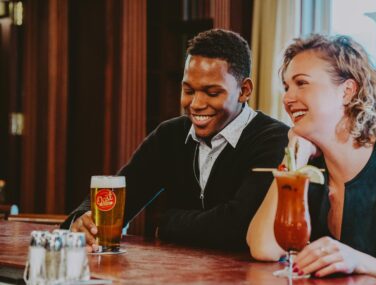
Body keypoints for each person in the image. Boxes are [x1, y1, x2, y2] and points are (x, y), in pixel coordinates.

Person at [62, 29, 289, 251]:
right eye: (188, 90)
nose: (196, 104)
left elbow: (240, 226)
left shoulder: (275, 140)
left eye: (212, 93)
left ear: (244, 90)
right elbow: (120, 193)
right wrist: (81, 220)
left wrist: (169, 222)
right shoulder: (170, 135)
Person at [246, 34, 376, 285]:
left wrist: (361, 262)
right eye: (286, 87)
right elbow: (263, 248)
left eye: (301, 83)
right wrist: (293, 160)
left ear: (347, 91)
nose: (287, 98)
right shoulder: (307, 168)